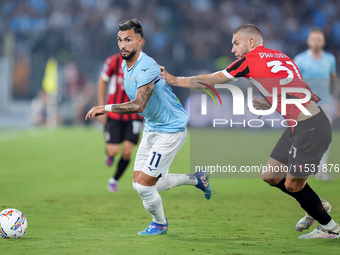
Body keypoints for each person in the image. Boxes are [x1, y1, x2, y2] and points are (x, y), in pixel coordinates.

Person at [160, 24, 339, 239]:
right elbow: (296, 90)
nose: (233, 50)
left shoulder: (248, 60)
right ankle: (316, 206)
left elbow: (211, 80)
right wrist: (270, 104)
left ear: (251, 42)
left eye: (236, 43)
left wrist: (173, 79)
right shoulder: (281, 56)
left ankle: (330, 228)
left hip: (310, 127)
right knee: (271, 176)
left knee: (293, 185)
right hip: (301, 124)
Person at [85, 19, 212, 235]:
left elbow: (139, 104)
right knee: (140, 184)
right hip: (153, 127)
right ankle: (197, 179)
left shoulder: (145, 66)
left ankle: (160, 223)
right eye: (119, 40)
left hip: (170, 130)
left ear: (140, 41)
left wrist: (105, 107)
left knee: (145, 186)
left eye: (128, 40)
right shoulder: (128, 66)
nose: (123, 45)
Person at [294, 27, 340, 181]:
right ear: (308, 41)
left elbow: (333, 81)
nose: (316, 42)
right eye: (313, 39)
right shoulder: (300, 60)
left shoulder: (330, 60)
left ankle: (322, 171)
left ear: (323, 42)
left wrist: (336, 102)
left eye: (319, 39)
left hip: (325, 104)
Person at [97, 53, 143, 192]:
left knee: (127, 151)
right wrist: (101, 105)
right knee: (114, 150)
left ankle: (114, 180)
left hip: (134, 115)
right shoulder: (113, 61)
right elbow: (102, 81)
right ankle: (110, 154)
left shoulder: (145, 64)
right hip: (115, 112)